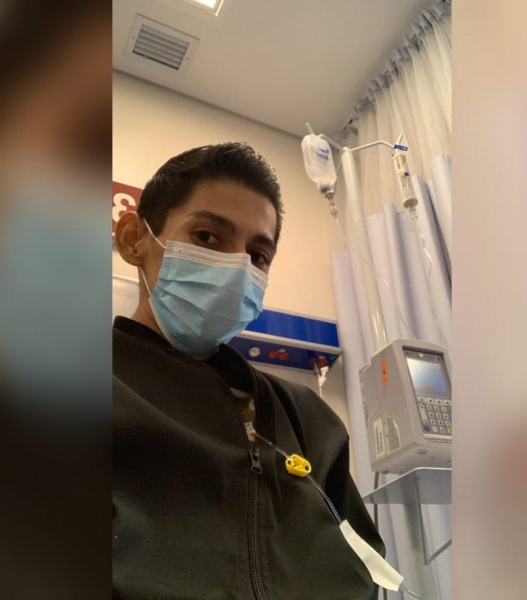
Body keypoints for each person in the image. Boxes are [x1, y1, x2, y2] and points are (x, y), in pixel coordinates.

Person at [112, 142, 384, 599]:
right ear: (134, 238)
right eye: (207, 237)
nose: (237, 268)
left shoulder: (307, 418)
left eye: (258, 256)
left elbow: (361, 564)